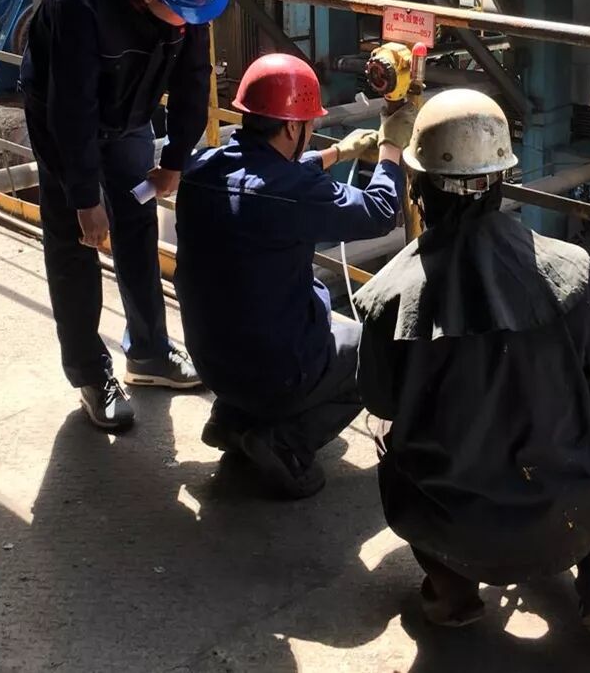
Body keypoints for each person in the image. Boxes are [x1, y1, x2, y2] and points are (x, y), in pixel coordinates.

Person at [353, 88, 590, 653]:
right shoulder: (574, 270)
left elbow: (381, 401)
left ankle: (452, 592)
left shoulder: (389, 294)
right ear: (502, 181)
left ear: (417, 185)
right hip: (566, 515)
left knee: (385, 438)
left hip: (449, 523)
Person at [174, 53, 416, 499]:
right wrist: (391, 150)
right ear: (292, 129)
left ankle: (231, 420)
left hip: (210, 361)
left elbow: (263, 179)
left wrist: (336, 153)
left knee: (258, 313)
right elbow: (381, 211)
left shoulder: (201, 168)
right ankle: (284, 444)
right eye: (308, 124)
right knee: (378, 352)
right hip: (274, 370)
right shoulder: (293, 194)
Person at [21, 0, 229, 432]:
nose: (190, 23)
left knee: (136, 224)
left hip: (130, 116)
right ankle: (90, 375)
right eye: (182, 14)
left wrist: (176, 159)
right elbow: (72, 106)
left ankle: (149, 353)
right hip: (62, 117)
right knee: (76, 243)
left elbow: (193, 79)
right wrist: (84, 198)